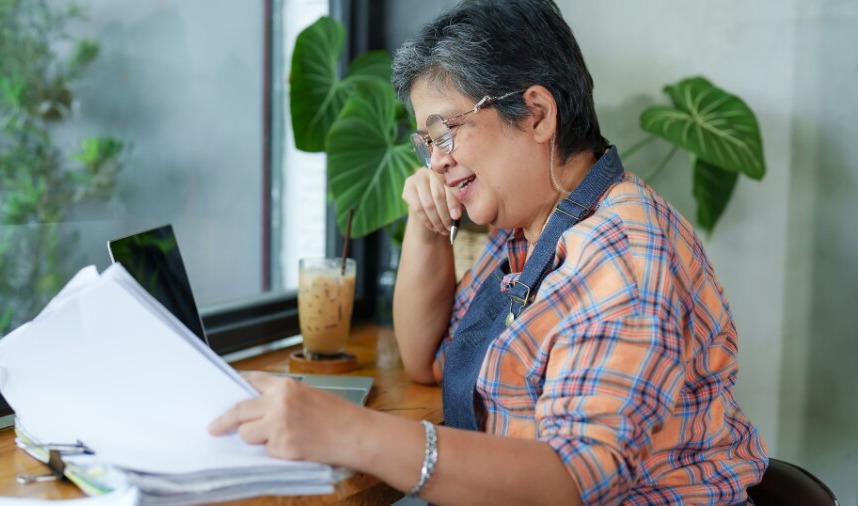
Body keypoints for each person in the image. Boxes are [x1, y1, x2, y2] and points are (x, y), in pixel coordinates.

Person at [209, 0, 768, 504]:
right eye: (427, 143)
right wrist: (427, 227)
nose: (435, 161)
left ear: (537, 114)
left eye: (446, 132)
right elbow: (427, 361)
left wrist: (347, 431)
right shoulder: (526, 232)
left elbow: (572, 479)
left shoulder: (619, 250)